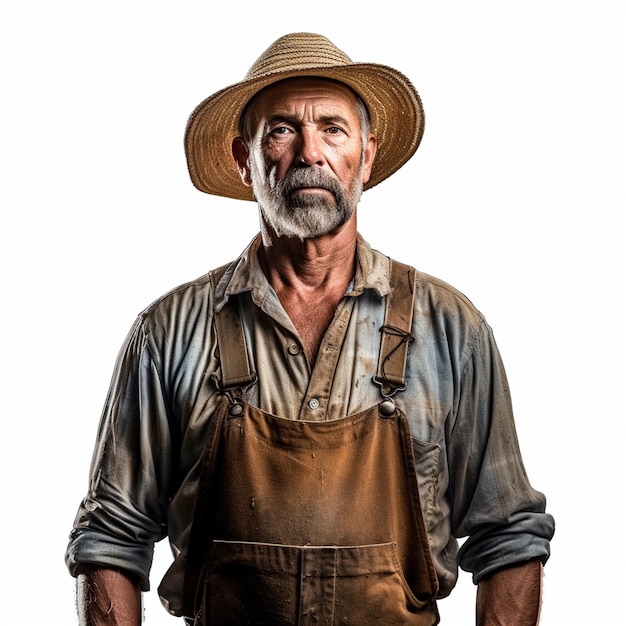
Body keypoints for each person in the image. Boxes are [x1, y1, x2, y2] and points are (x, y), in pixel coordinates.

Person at [66, 33, 555, 625]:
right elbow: (112, 539)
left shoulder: (450, 331)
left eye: (333, 128)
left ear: (366, 157)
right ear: (243, 160)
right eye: (281, 129)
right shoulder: (168, 333)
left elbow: (508, 538)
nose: (309, 153)